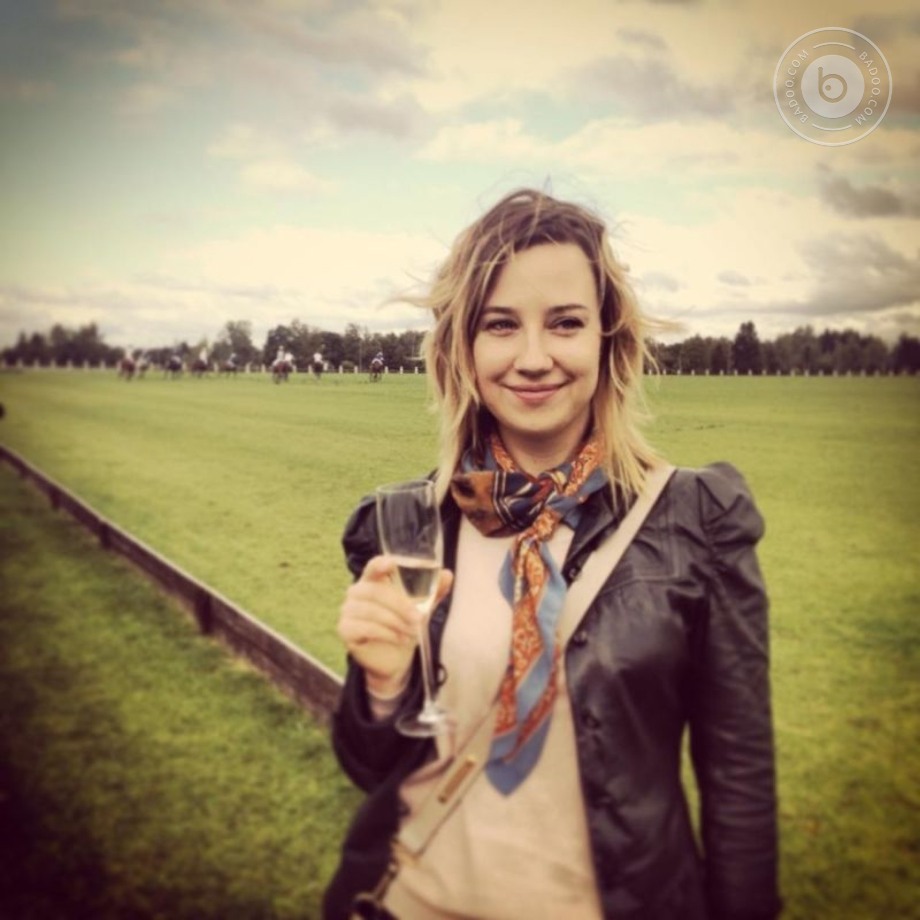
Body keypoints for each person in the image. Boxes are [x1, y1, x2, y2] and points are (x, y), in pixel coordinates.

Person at [325, 189, 781, 920]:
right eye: (501, 324)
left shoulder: (697, 519)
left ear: (607, 338)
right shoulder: (406, 523)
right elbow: (370, 765)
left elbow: (740, 779)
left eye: (565, 322)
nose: (533, 358)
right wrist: (381, 688)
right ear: (463, 347)